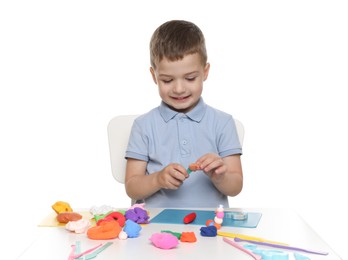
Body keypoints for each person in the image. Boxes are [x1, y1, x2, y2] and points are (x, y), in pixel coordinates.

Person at [125, 20, 243, 208]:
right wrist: (157, 179)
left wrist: (220, 177)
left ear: (205, 72)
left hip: (211, 227)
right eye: (167, 80)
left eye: (190, 78)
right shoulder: (143, 125)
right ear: (154, 76)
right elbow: (132, 187)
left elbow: (236, 186)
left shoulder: (223, 123)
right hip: (156, 227)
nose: (179, 89)